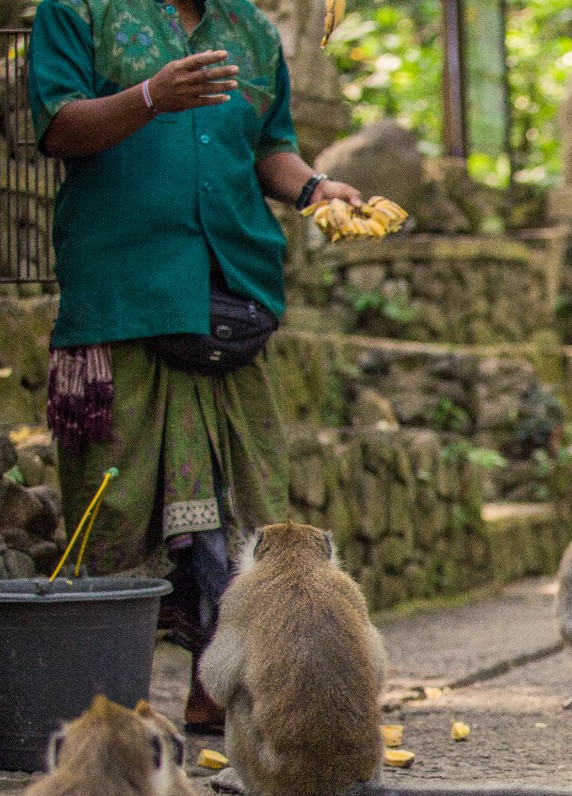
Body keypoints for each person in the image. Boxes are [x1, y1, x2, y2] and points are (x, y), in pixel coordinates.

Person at [29, 0, 366, 730]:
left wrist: (314, 188)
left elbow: (268, 145)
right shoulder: (79, 11)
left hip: (231, 292)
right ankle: (106, 713)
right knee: (115, 511)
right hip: (123, 294)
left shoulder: (250, 31)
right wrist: (151, 97)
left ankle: (223, 697)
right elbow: (56, 125)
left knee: (248, 506)